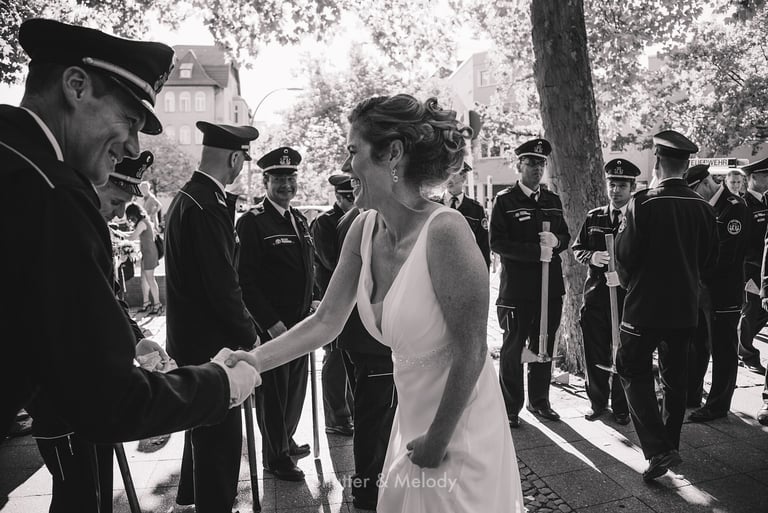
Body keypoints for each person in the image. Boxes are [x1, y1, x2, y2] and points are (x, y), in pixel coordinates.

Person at [228, 94, 523, 512]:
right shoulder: (362, 228)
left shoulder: (446, 232)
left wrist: (439, 438)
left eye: (353, 152)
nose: (348, 167)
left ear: (393, 155)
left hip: (460, 423)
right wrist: (253, 362)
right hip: (411, 419)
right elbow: (324, 323)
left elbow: (473, 349)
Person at [2, 16, 259, 439]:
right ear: (76, 86)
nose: (133, 147)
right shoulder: (54, 192)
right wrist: (223, 384)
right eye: (129, 120)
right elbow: (106, 399)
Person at [164, 121, 261, 513]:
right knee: (220, 439)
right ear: (236, 159)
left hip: (191, 338)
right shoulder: (207, 204)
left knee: (202, 429)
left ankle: (192, 494)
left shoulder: (191, 197)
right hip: (211, 343)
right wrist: (250, 336)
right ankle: (215, 505)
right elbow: (223, 284)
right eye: (242, 161)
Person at [615, 130, 718, 481]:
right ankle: (669, 446)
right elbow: (709, 261)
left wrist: (634, 288)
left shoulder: (641, 203)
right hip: (683, 308)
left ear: (658, 161)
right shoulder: (704, 208)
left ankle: (659, 449)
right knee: (676, 379)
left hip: (643, 307)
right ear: (687, 164)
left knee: (630, 367)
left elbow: (624, 257)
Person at [236, 147, 316, 482]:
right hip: (274, 328)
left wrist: (313, 301)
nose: (286, 185)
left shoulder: (297, 219)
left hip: (301, 324)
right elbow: (245, 279)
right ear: (266, 181)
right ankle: (276, 457)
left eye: (291, 178)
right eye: (279, 179)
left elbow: (306, 269)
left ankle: (286, 439)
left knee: (295, 388)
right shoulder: (253, 222)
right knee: (274, 394)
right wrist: (270, 323)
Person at [490, 138, 571, 428]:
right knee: (513, 349)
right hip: (517, 290)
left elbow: (565, 236)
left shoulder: (552, 200)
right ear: (519, 165)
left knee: (542, 346)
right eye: (531, 163)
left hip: (549, 290)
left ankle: (540, 401)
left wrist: (557, 241)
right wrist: (536, 251)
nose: (537, 169)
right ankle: (510, 407)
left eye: (541, 164)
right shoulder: (505, 201)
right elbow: (497, 242)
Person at [335, 206, 396, 510]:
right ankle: (367, 490)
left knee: (371, 414)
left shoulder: (357, 217)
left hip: (361, 338)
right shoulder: (364, 221)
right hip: (372, 340)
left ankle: (368, 486)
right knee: (374, 418)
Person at [572, 158, 639, 425]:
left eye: (622, 185)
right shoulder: (594, 216)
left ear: (632, 187)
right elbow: (577, 249)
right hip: (597, 297)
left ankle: (622, 407)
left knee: (623, 355)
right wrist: (592, 256)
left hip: (627, 300)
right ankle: (598, 402)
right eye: (612, 184)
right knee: (595, 353)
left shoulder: (637, 219)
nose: (615, 190)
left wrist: (622, 273)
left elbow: (646, 258)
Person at [685, 164, 749, 422]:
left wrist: (693, 268)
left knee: (723, 348)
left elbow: (727, 255)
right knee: (697, 345)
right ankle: (691, 393)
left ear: (704, 184)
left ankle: (718, 404)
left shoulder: (734, 206)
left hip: (723, 291)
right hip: (702, 289)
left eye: (693, 190)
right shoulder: (703, 206)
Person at [312, 174, 356, 437]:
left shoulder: (361, 218)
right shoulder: (325, 223)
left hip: (356, 298)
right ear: (338, 197)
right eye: (347, 197)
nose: (352, 202)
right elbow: (330, 261)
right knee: (335, 359)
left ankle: (350, 411)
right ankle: (336, 416)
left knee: (350, 358)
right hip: (334, 298)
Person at [738, 157, 768, 374]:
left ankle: (740, 344)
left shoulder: (766, 201)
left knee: (762, 313)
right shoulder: (744, 204)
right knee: (750, 312)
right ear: (753, 178)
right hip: (752, 269)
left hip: (765, 269)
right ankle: (745, 353)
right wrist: (747, 273)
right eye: (765, 175)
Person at [436, 162, 490, 267]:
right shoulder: (433, 204)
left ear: (463, 177)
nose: (448, 178)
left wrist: (484, 278)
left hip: (466, 269)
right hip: (437, 267)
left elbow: (483, 246)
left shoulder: (476, 209)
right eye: (445, 174)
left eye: (453, 174)